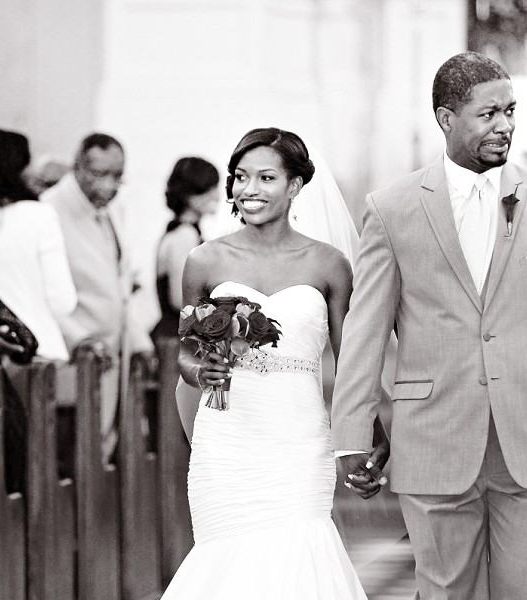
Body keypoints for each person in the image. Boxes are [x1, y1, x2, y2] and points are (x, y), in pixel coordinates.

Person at [331, 52, 527, 599]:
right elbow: (365, 330)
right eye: (488, 114)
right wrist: (352, 432)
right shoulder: (392, 208)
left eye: (511, 111)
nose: (506, 126)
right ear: (446, 118)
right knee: (446, 594)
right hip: (434, 436)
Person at [161, 127, 388, 599]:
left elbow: (352, 362)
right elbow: (186, 354)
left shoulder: (329, 265)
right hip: (226, 439)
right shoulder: (204, 261)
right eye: (241, 177)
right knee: (225, 557)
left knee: (301, 550)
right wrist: (201, 370)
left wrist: (368, 433)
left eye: (266, 177)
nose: (249, 189)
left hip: (299, 439)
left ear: (295, 186)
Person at [42, 133, 138, 461]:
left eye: (118, 176)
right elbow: (43, 292)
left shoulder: (111, 210)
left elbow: (119, 283)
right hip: (74, 355)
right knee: (74, 459)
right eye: (100, 175)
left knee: (104, 456)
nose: (110, 186)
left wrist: (138, 340)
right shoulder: (48, 210)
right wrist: (78, 339)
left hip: (113, 352)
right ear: (77, 167)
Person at [0, 126, 77, 362]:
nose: (33, 172)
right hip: (37, 352)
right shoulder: (39, 216)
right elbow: (63, 301)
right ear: (15, 169)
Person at [151, 156, 220, 343]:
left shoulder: (184, 233)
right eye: (210, 188)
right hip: (177, 340)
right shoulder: (185, 236)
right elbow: (180, 298)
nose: (217, 195)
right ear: (189, 194)